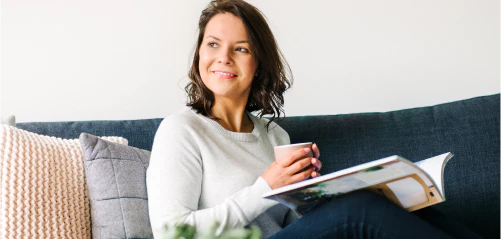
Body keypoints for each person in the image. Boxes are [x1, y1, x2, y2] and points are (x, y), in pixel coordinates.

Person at [147, 1, 479, 238]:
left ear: (259, 63)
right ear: (199, 54)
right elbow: (172, 231)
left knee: (407, 206)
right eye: (213, 44)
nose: (223, 57)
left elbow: (291, 223)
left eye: (241, 49)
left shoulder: (274, 136)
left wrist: (312, 195)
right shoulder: (182, 130)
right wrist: (266, 187)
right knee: (357, 210)